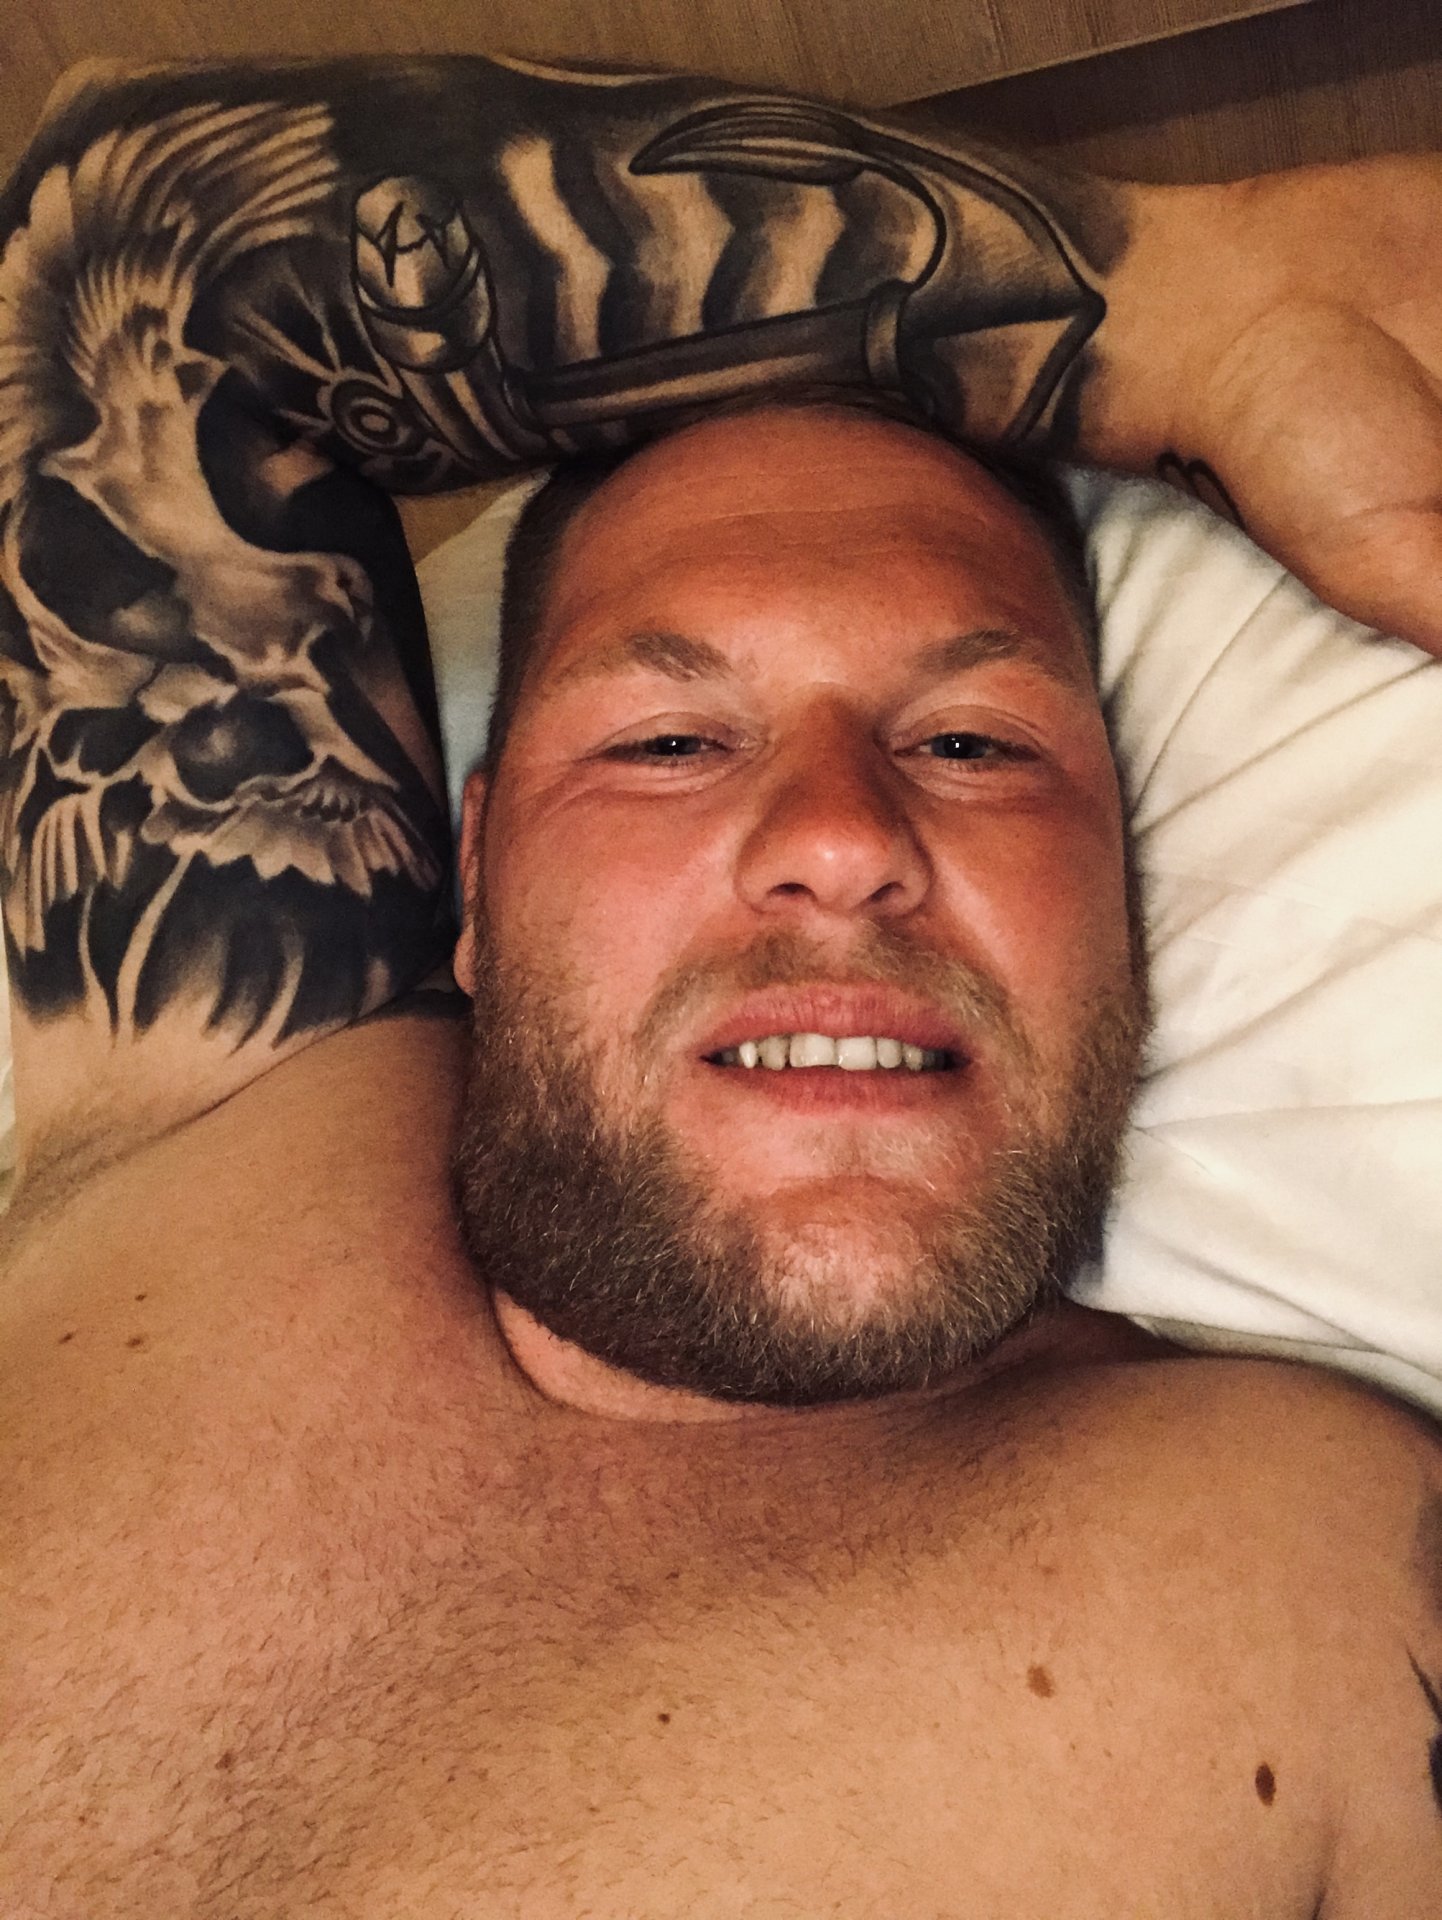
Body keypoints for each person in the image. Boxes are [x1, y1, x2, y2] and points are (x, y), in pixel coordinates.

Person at [2, 55, 1441, 1917]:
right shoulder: (211, 1111)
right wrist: (1215, 318)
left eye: (973, 745)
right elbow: (152, 260)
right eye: (668, 742)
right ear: (471, 880)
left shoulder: (1316, 1591)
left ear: (1120, 886)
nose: (836, 839)